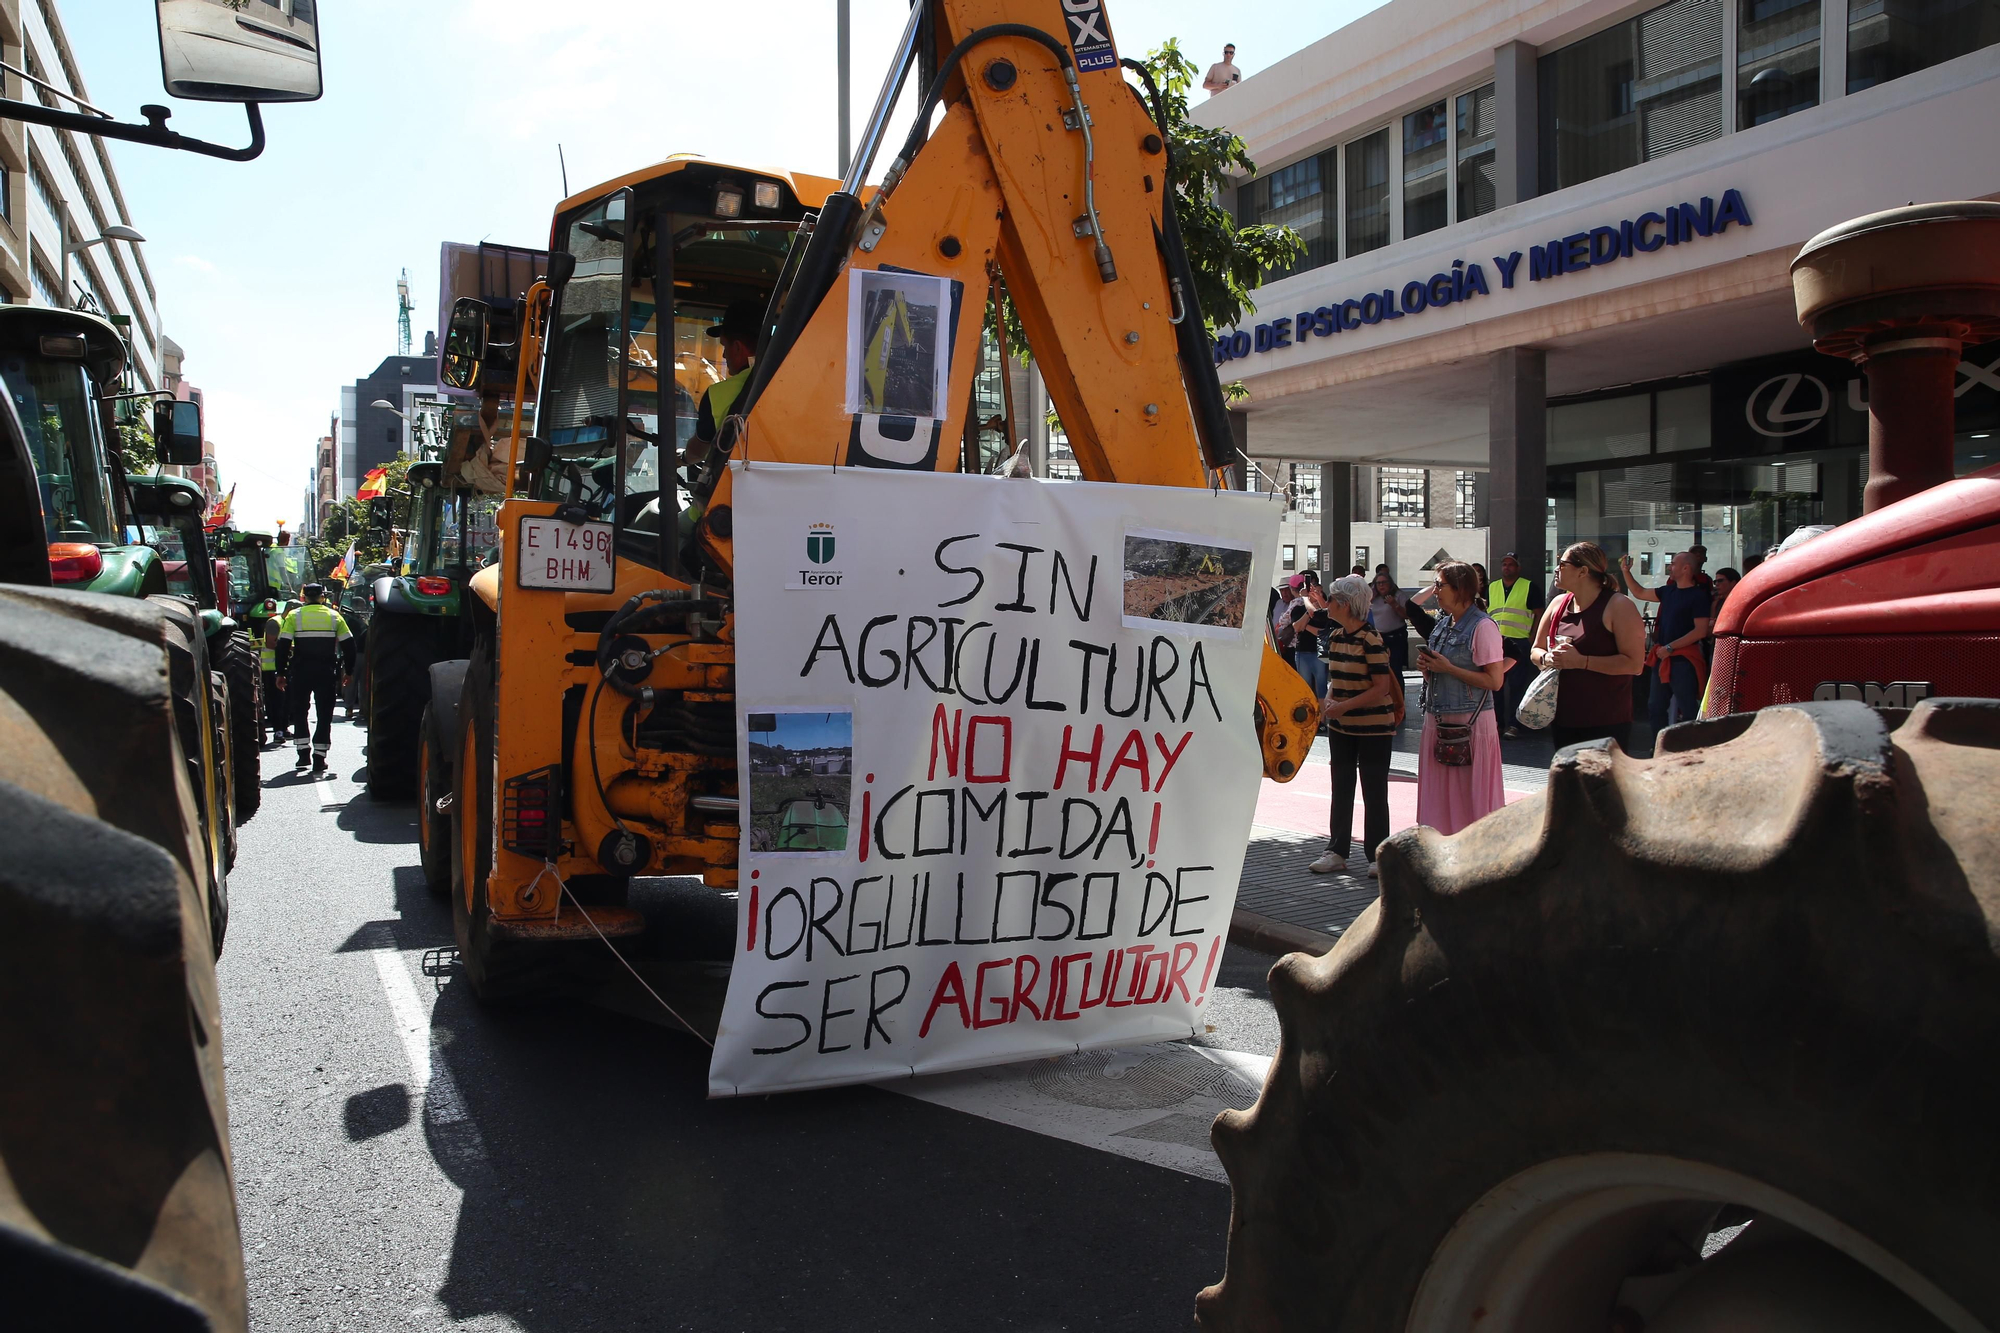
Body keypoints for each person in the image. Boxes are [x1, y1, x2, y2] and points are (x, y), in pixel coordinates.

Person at [1309, 576, 1398, 878]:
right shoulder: (1335, 637)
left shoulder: (1371, 639)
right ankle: (1336, 850)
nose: (1327, 603)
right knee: (1341, 787)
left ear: (1344, 605)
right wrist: (1328, 702)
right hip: (1342, 727)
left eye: (1331, 599)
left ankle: (1377, 854)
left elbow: (1381, 687)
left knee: (1374, 791)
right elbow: (1336, 679)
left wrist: (1341, 707)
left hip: (1374, 727)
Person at [1414, 562, 1507, 835]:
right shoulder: (1442, 625)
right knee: (1439, 797)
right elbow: (1443, 676)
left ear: (1460, 589)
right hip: (1440, 720)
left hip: (1470, 725)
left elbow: (1495, 681)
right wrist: (1429, 670)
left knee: (1471, 799)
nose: (1435, 591)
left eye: (1440, 585)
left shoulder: (1483, 626)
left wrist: (1448, 668)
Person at [1530, 542, 1646, 751]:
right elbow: (1536, 650)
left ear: (1583, 571)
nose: (1556, 569)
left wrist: (1582, 662)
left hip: (1607, 722)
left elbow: (1635, 664)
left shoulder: (1619, 605)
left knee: (1602, 784)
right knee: (1569, 783)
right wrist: (1547, 659)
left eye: (1562, 564)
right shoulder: (1558, 604)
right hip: (1563, 719)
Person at [1621, 551, 1712, 733]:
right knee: (1655, 706)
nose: (1670, 567)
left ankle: (1690, 747)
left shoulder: (1698, 596)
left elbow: (1700, 630)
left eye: (1674, 563)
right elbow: (1639, 593)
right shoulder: (1668, 591)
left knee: (1687, 707)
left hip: (1683, 660)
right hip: (1662, 657)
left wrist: (1671, 647)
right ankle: (1658, 746)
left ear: (1686, 568)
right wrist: (1625, 571)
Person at [277, 582, 355, 774]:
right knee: (324, 715)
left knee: (300, 711)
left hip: (301, 671)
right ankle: (319, 758)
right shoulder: (334, 616)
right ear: (322, 597)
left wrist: (281, 673)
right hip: (326, 672)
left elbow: (282, 646)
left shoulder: (294, 616)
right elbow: (349, 645)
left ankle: (303, 753)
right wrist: (349, 671)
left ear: (303, 597)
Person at [1487, 552, 1544, 737]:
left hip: (1519, 642)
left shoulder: (1528, 587)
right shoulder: (1492, 587)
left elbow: (1539, 613)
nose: (1506, 567)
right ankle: (1497, 723)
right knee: (1496, 685)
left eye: (1511, 564)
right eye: (1504, 564)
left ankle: (1514, 725)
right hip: (1497, 643)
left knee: (1517, 685)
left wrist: (1533, 637)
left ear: (1518, 567)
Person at [1369, 572, 1410, 678]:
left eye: (1384, 582)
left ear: (1390, 583)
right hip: (1379, 638)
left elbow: (1406, 615)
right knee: (1379, 671)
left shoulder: (1398, 595)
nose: (1381, 585)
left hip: (1396, 638)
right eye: (1378, 583)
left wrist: (1394, 605)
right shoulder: (1374, 598)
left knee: (1395, 670)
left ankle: (1398, 694)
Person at [260, 600, 287, 745]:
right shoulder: (274, 622)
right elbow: (271, 643)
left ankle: (284, 728)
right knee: (277, 702)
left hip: (286, 667)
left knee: (286, 702)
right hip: (272, 669)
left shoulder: (290, 623)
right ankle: (278, 731)